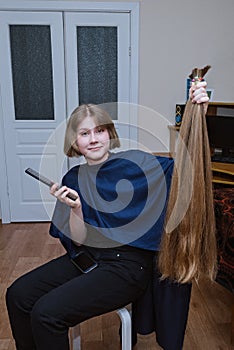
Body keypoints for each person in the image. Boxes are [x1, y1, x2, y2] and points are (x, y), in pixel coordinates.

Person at [6, 82, 209, 350]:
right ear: (74, 142)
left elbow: (187, 165)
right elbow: (77, 242)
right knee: (17, 295)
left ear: (109, 134)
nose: (93, 139)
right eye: (84, 133)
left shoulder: (139, 164)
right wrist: (76, 209)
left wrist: (199, 116)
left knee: (46, 314)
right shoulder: (73, 178)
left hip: (127, 267)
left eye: (99, 131)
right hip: (87, 258)